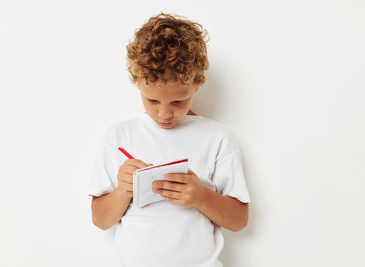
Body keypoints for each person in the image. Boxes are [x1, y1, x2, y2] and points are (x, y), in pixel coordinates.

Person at [87, 12, 250, 267]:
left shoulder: (217, 137)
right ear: (138, 85)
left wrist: (202, 198)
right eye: (152, 100)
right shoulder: (119, 136)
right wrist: (123, 191)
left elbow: (239, 220)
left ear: (197, 84)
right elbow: (100, 219)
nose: (164, 113)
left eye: (178, 101)